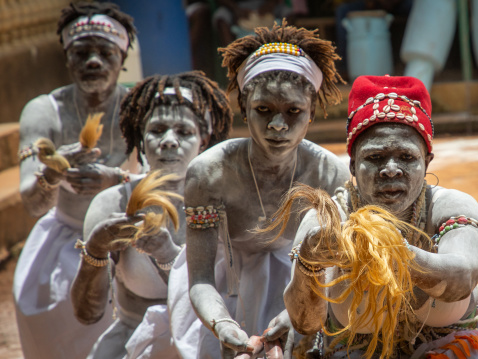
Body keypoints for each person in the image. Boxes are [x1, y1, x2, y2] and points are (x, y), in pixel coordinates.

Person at [279, 75, 478, 358]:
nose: (390, 169)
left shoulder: (450, 206)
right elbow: (306, 322)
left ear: (427, 161)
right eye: (375, 157)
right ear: (352, 165)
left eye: (406, 157)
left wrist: (394, 251)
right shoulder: (327, 219)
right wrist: (308, 267)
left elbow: (463, 276)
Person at [176, 21, 350, 358]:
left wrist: (297, 314)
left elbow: (342, 270)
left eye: (293, 111)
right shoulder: (209, 173)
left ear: (312, 112)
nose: (278, 125)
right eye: (263, 110)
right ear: (243, 107)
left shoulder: (329, 173)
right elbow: (199, 278)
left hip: (310, 285)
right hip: (227, 291)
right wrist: (221, 324)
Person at [70, 71, 233, 359]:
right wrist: (95, 251)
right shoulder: (114, 204)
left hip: (211, 343)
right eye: (157, 130)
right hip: (133, 345)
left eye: (184, 132)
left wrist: (167, 255)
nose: (169, 141)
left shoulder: (228, 201)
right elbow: (87, 314)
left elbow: (234, 296)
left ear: (204, 139)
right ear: (140, 139)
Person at [12, 2, 138, 358]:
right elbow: (33, 202)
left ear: (122, 58)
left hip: (129, 238)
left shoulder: (139, 107)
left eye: (105, 52)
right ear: (67, 60)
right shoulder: (43, 111)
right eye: (82, 53)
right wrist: (52, 172)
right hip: (63, 244)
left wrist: (115, 179)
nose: (93, 62)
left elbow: (167, 181)